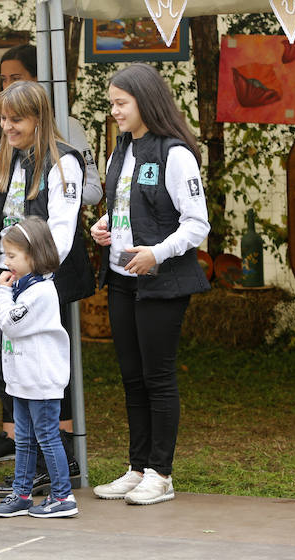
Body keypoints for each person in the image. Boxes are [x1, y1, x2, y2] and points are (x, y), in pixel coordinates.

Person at [0, 81, 94, 481]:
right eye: (3, 118)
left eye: (15, 119)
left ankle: (53, 462)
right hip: (6, 278)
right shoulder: (1, 156)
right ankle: (48, 464)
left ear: (38, 118)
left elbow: (61, 235)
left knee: (19, 368)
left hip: (43, 283)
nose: (6, 126)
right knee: (7, 368)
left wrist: (30, 277)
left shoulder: (65, 162)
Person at [90, 63, 210, 505]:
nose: (115, 112)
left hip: (163, 281)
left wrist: (155, 253)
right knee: (132, 378)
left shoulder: (175, 154)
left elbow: (197, 224)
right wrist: (105, 225)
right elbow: (130, 207)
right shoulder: (120, 150)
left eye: (121, 104)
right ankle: (137, 468)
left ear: (146, 101)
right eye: (112, 104)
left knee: (158, 378)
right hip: (122, 279)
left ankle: (161, 474)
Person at [0, 217, 79, 518]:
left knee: (47, 436)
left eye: (11, 256)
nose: (5, 262)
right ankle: (22, 494)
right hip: (21, 382)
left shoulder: (41, 293)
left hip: (41, 382)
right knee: (23, 439)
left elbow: (9, 322)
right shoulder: (19, 286)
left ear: (33, 256)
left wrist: (1, 293)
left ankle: (63, 497)